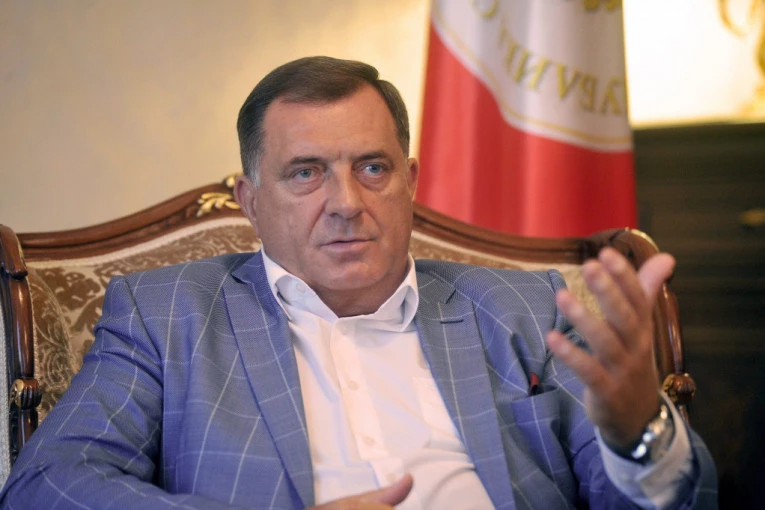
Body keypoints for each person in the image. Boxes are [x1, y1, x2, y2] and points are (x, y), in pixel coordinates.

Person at [0, 56, 716, 509]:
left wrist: (640, 433)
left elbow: (684, 500)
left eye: (372, 167)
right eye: (305, 173)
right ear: (251, 202)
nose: (345, 202)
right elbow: (48, 483)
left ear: (410, 182)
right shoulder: (166, 315)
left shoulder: (526, 307)